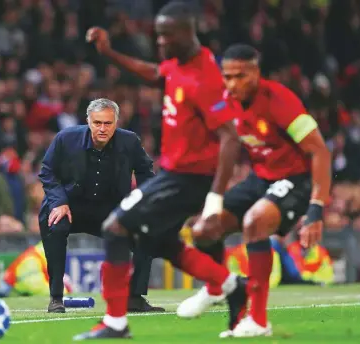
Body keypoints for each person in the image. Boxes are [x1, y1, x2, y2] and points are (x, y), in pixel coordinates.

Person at [75, 2, 245, 340]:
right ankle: (232, 285)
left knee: (115, 227)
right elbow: (155, 73)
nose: (161, 42)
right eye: (159, 35)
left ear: (187, 33)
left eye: (167, 36)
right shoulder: (179, 64)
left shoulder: (204, 77)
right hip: (173, 173)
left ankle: (115, 322)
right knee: (161, 242)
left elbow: (230, 137)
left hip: (189, 178)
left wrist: (214, 198)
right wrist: (110, 52)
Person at [177, 44, 332, 338]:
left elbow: (320, 152)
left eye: (240, 76)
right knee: (203, 229)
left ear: (256, 73)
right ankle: (216, 287)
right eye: (228, 76)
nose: (233, 84)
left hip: (295, 179)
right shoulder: (224, 101)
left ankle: (258, 320)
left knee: (255, 222)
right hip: (259, 178)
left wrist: (315, 209)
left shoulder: (280, 100)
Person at [38, 98, 164, 313]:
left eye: (107, 123)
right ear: (88, 121)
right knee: (54, 225)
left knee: (146, 233)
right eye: (97, 123)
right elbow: (47, 171)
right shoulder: (66, 138)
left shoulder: (130, 141)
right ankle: (56, 297)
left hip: (110, 208)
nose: (102, 129)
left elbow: (145, 171)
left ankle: (134, 298)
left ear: (116, 122)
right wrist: (59, 202)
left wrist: (143, 205)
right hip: (70, 205)